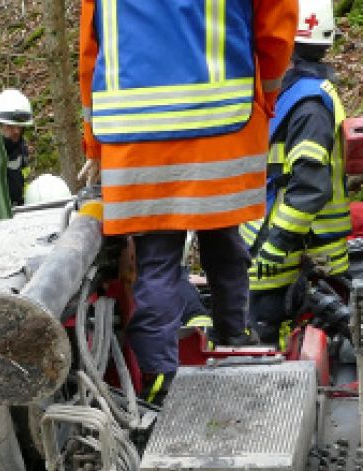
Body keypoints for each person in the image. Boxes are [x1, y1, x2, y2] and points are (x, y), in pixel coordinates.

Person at [78, 0, 298, 403]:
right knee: (224, 239)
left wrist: (94, 145)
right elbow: (276, 29)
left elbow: (91, 52)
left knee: (156, 262)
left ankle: (159, 377)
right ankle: (235, 336)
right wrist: (267, 99)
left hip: (133, 137)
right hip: (221, 123)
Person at [241, 0, 350, 344]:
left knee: (266, 352)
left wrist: (278, 244)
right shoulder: (298, 95)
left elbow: (309, 187)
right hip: (282, 256)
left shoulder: (308, 106)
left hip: (291, 259)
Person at [0, 89, 34, 206]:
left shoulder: (21, 149)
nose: (16, 131)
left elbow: (24, 183)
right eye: (10, 126)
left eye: (20, 126)